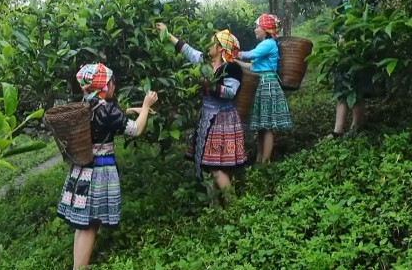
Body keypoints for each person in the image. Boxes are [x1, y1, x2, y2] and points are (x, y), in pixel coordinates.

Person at [57, 63, 158, 269]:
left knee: (82, 222)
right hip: (99, 172)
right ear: (103, 87)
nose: (114, 85)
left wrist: (135, 109)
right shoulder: (109, 110)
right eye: (111, 82)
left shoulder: (85, 103)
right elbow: (136, 130)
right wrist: (147, 105)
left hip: (81, 170)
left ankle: (78, 265)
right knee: (91, 224)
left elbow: (113, 115)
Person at [156, 22, 247, 204]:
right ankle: (217, 208)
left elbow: (230, 92)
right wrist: (166, 34)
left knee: (216, 166)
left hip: (223, 120)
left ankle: (234, 205)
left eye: (212, 43)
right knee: (210, 165)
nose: (208, 46)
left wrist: (209, 84)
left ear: (221, 48)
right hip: (207, 119)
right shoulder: (205, 63)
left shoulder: (232, 68)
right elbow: (187, 50)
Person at [235, 14, 292, 164]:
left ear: (265, 29)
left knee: (266, 126)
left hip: (267, 84)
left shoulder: (268, 44)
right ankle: (260, 159)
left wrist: (236, 53)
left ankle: (265, 161)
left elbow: (251, 55)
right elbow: (252, 65)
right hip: (261, 83)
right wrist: (234, 60)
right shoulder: (264, 45)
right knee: (261, 125)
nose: (255, 30)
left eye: (257, 26)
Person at [327, 0, 375, 139]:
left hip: (359, 52)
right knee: (342, 88)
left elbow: (370, 24)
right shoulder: (342, 3)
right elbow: (338, 24)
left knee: (357, 89)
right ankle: (337, 131)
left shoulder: (365, 0)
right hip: (344, 53)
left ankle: (356, 126)